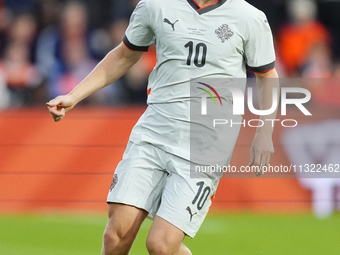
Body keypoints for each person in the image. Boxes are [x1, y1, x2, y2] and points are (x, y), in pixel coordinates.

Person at [47, 0, 279, 254]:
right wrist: (73, 96)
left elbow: (267, 76)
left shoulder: (249, 17)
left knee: (161, 246)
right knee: (115, 236)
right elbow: (124, 55)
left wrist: (264, 132)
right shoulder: (156, 6)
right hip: (154, 132)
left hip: (205, 145)